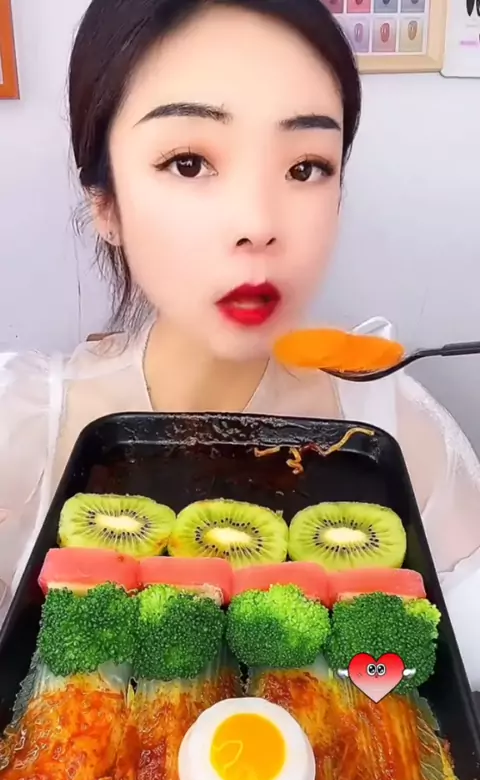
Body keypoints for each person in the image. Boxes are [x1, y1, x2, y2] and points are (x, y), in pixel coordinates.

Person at [1, 0, 479, 690]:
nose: (258, 223)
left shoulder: (403, 431)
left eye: (306, 167)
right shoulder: (20, 427)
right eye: (189, 162)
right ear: (106, 204)